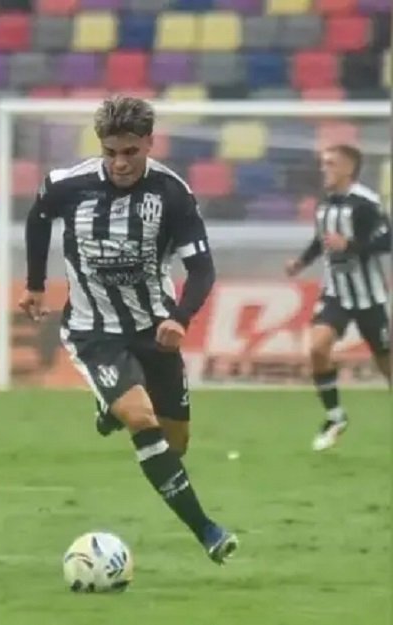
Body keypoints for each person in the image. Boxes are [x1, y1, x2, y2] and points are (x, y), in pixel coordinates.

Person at [19, 95, 238, 564]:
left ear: (148, 144)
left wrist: (180, 318)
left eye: (130, 152)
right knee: (143, 420)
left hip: (154, 328)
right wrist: (35, 285)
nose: (120, 163)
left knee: (174, 444)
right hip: (92, 329)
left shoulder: (172, 194)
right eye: (111, 152)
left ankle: (111, 407)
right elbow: (37, 218)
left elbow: (202, 270)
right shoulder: (66, 186)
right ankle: (208, 531)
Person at [285, 144, 391, 451]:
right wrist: (301, 263)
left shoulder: (366, 202)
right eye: (323, 163)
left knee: (386, 362)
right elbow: (322, 241)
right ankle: (335, 416)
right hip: (336, 294)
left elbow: (387, 239)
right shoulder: (324, 204)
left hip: (369, 296)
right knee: (318, 348)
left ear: (348, 168)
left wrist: (352, 245)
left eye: (331, 163)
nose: (324, 169)